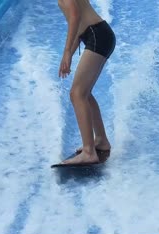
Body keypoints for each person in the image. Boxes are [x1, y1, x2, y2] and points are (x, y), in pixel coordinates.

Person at [57, 0, 115, 165]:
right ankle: (101, 140)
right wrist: (69, 55)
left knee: (77, 94)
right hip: (98, 35)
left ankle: (89, 152)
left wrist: (67, 52)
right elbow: (78, 24)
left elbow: (75, 15)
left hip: (97, 36)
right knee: (84, 93)